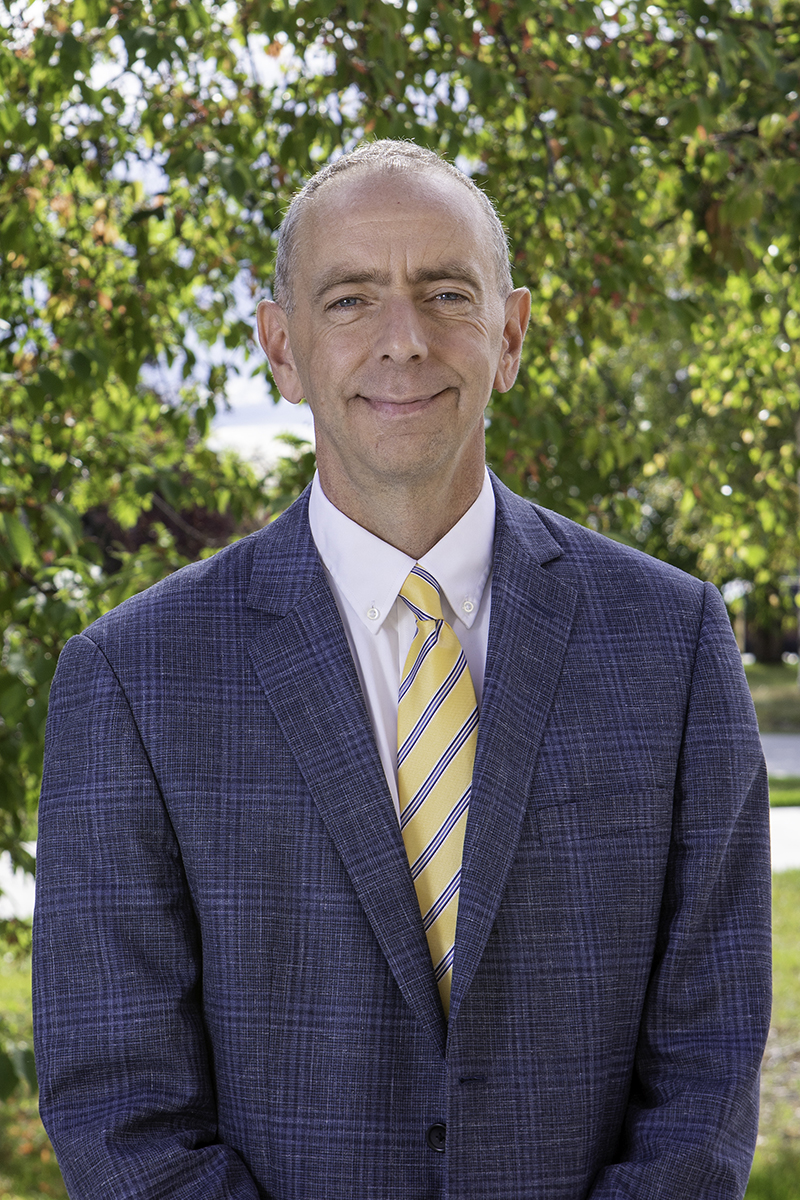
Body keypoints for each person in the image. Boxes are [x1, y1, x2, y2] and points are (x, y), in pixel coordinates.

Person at [33, 140, 771, 1200]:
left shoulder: (674, 641)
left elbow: (706, 1070)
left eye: (444, 292)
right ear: (280, 350)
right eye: (349, 299)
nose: (403, 340)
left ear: (508, 334)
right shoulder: (132, 678)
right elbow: (118, 1108)